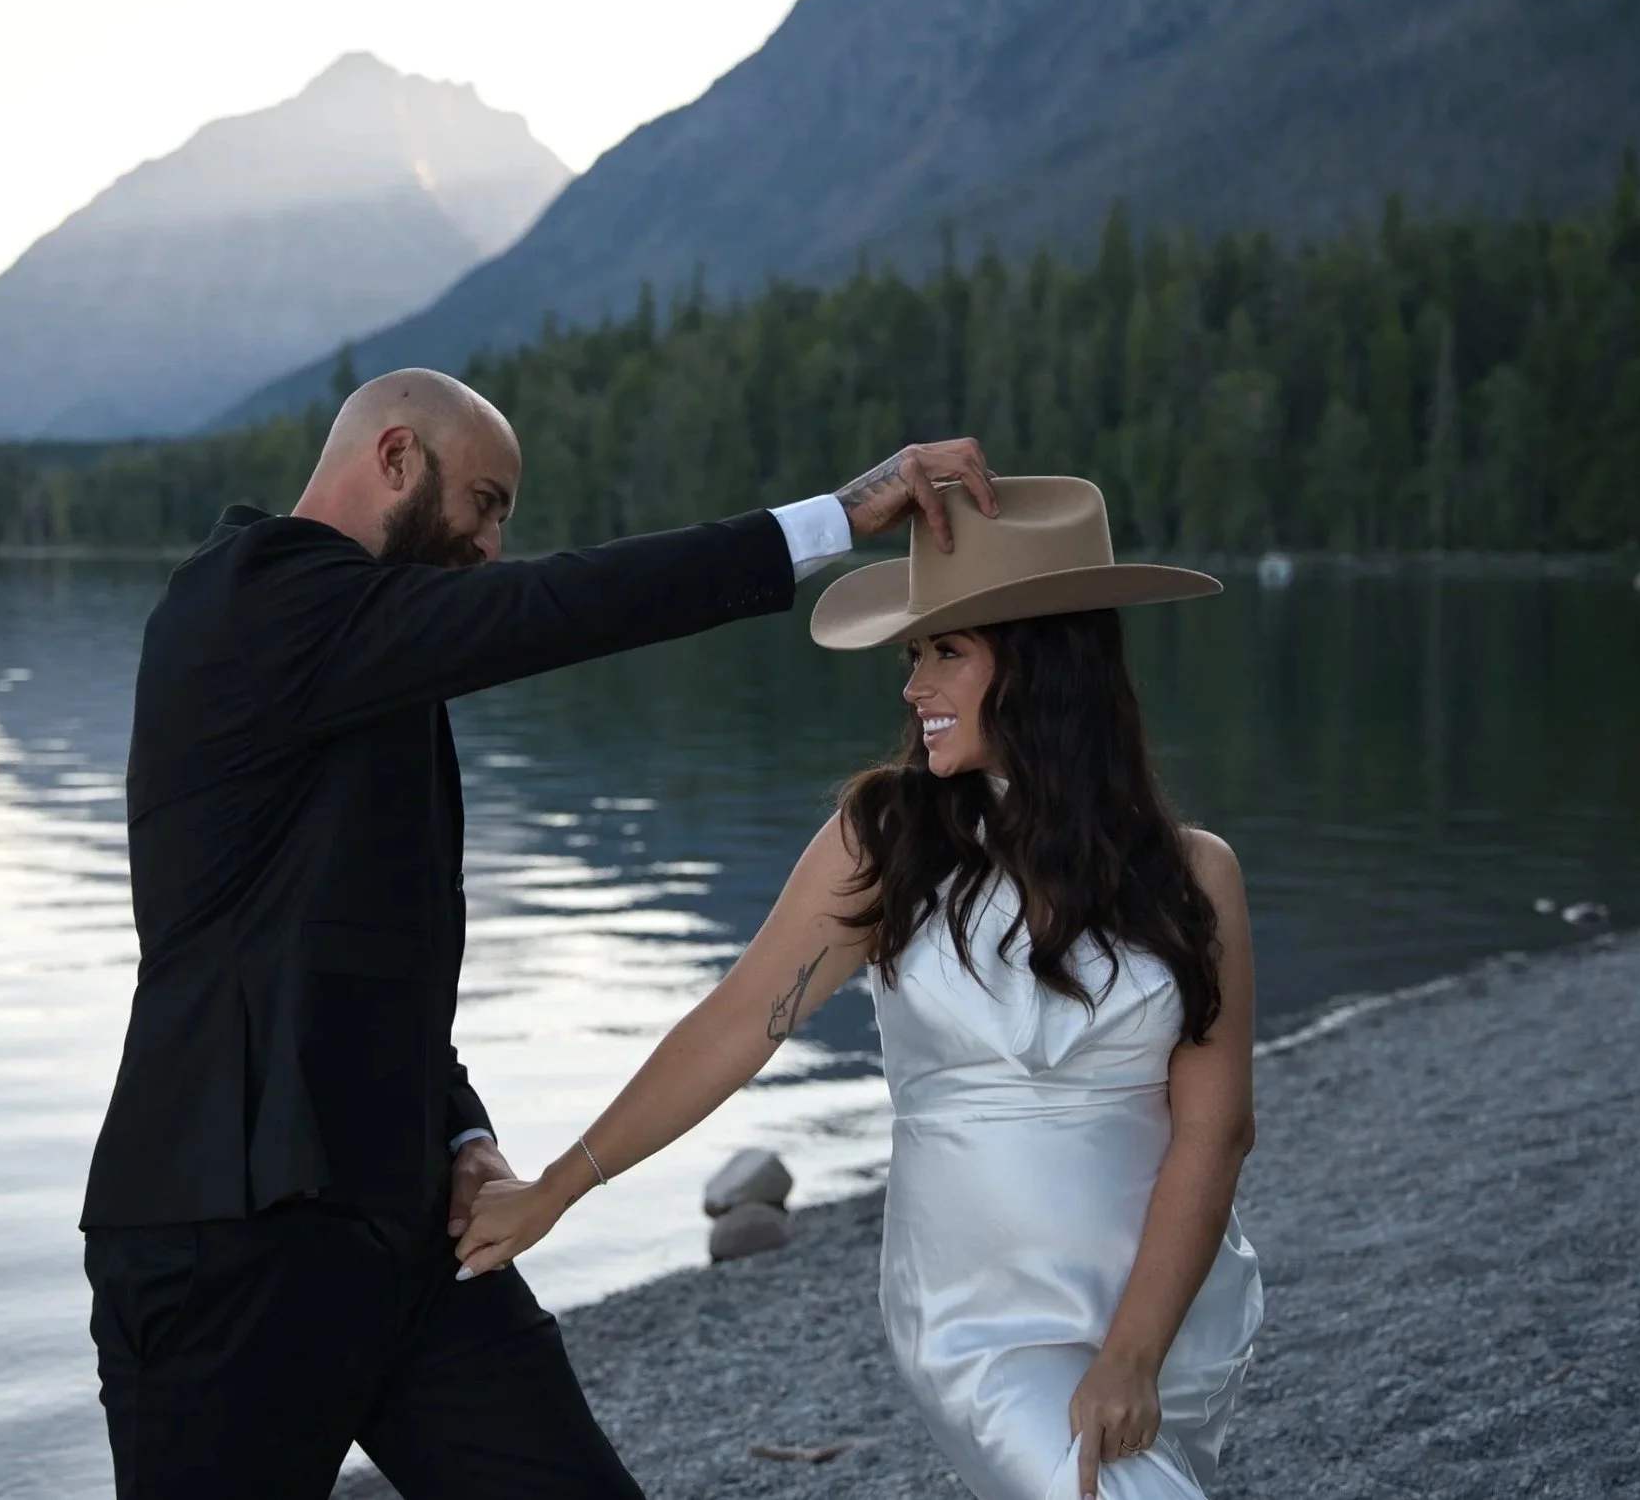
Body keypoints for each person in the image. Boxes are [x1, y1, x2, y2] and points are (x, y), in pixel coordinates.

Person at [78, 364, 998, 1499]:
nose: (494, 548)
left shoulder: (366, 663)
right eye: (487, 506)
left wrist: (459, 1132)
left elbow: (357, 960)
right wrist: (834, 520)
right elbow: (558, 606)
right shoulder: (251, 598)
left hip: (410, 1235)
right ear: (398, 459)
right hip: (227, 1242)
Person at [457, 476, 1265, 1500]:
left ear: (1044, 662)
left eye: (945, 652)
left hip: (1167, 1312)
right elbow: (737, 1025)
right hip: (979, 1321)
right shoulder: (888, 842)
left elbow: (1216, 1131)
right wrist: (559, 1188)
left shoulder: (1197, 875)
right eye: (912, 655)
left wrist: (1137, 1352)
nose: (913, 687)